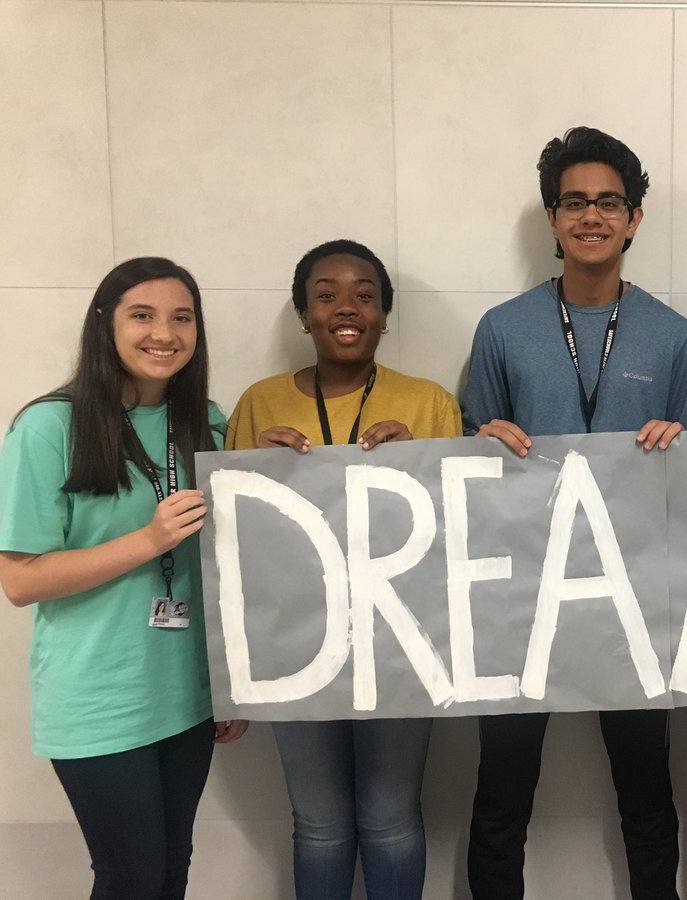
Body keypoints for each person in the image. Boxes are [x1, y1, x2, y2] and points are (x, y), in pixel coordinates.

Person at [462, 126, 687, 900]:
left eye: (608, 202)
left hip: (632, 601)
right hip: (521, 598)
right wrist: (482, 438)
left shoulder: (673, 335)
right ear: (552, 217)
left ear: (634, 218)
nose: (591, 215)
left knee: (647, 798)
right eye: (574, 202)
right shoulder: (502, 329)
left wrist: (677, 444)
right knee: (501, 798)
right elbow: (472, 473)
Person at [0, 257, 246, 899]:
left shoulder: (208, 421)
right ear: (104, 323)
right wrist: (148, 540)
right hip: (98, 700)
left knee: (169, 871)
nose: (164, 333)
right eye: (143, 314)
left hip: (185, 695)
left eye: (182, 317)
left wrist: (231, 683)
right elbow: (21, 580)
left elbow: (226, 565)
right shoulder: (48, 425)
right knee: (130, 878)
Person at [225, 239, 461, 900]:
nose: (346, 307)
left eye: (365, 294)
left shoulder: (432, 404)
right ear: (304, 314)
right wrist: (252, 468)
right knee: (321, 826)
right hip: (294, 645)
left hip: (400, 646)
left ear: (386, 313)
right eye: (325, 294)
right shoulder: (258, 404)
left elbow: (462, 535)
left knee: (390, 823)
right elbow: (231, 542)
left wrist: (423, 464)